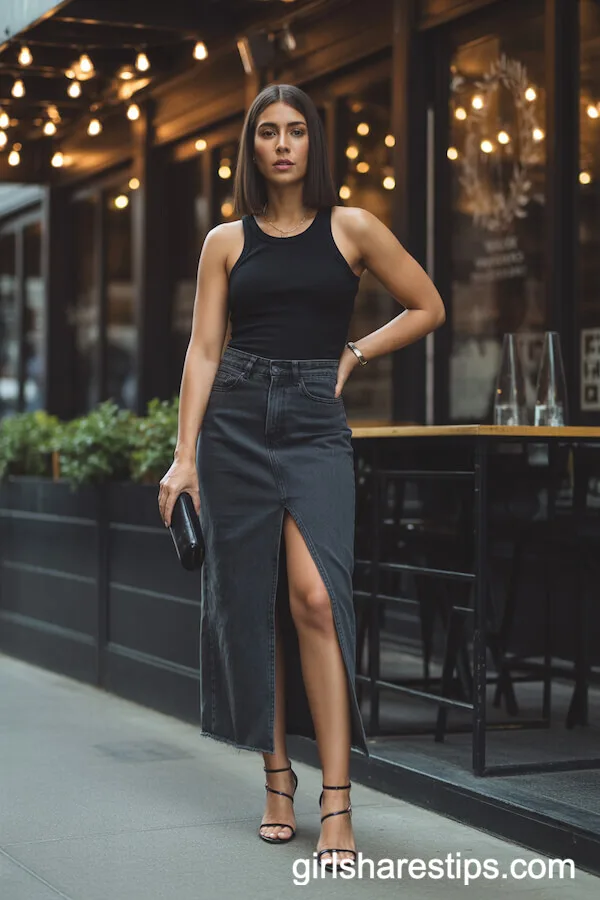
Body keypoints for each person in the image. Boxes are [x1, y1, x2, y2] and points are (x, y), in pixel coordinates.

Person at [158, 83, 445, 873]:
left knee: (316, 598)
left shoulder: (351, 227)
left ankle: (339, 799)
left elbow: (427, 304)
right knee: (256, 606)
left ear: (313, 143)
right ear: (251, 148)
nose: (282, 144)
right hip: (236, 423)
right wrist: (183, 457)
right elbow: (204, 353)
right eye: (266, 133)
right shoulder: (225, 240)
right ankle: (278, 780)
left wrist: (354, 354)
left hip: (317, 421)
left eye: (295, 131)